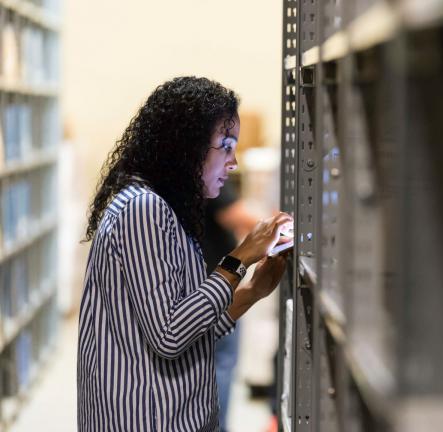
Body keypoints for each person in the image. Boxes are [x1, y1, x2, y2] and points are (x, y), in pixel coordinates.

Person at [77, 76, 292, 432]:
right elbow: (170, 336)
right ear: (186, 146)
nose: (233, 162)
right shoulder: (143, 210)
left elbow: (189, 332)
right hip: (146, 419)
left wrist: (252, 293)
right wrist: (238, 260)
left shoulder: (166, 209)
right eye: (224, 146)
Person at [201, 183, 258, 431]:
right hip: (214, 291)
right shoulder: (208, 173)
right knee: (220, 365)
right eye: (226, 147)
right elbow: (234, 214)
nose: (232, 162)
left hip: (210, 289)